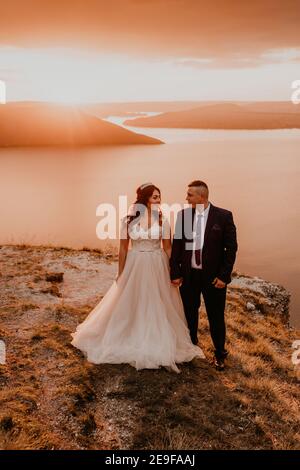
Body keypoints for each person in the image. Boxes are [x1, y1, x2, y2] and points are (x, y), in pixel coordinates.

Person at [71, 183, 205, 373]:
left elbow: (167, 248)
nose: (159, 200)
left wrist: (175, 270)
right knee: (133, 300)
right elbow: (124, 248)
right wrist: (121, 272)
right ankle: (127, 334)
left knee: (157, 301)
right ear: (145, 199)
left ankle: (157, 337)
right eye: (155, 197)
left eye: (159, 196)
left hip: (158, 265)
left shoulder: (163, 220)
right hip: (136, 265)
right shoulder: (128, 221)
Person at [170, 180, 238, 370]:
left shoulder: (223, 216)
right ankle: (191, 348)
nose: (186, 198)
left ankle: (219, 353)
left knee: (216, 317)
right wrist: (175, 271)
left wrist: (224, 277)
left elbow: (231, 248)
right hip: (189, 277)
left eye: (190, 195)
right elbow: (177, 245)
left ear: (202, 197)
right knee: (189, 314)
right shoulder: (183, 215)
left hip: (213, 279)